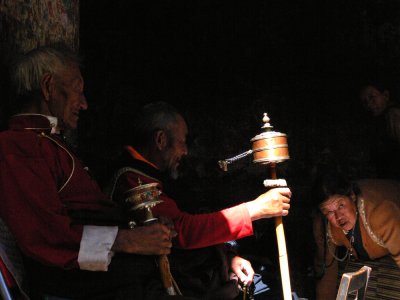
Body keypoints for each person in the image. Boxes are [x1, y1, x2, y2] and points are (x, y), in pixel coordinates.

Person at [0, 45, 189, 300]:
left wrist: (146, 228)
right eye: (78, 90)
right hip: (72, 277)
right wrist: (128, 240)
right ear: (48, 87)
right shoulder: (18, 145)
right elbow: (45, 235)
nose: (84, 103)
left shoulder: (50, 142)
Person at [107, 101, 292, 299]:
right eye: (182, 141)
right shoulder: (132, 180)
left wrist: (227, 258)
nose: (185, 151)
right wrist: (254, 209)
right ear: (161, 140)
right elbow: (183, 231)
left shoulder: (156, 177)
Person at [311, 171, 400, 300]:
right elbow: (326, 273)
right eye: (329, 212)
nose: (338, 216)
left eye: (341, 205)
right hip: (368, 261)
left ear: (352, 196)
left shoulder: (381, 212)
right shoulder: (324, 226)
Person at [359, 80, 400, 179]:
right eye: (365, 102)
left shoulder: (393, 115)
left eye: (372, 97)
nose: (369, 104)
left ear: (385, 95)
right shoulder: (378, 121)